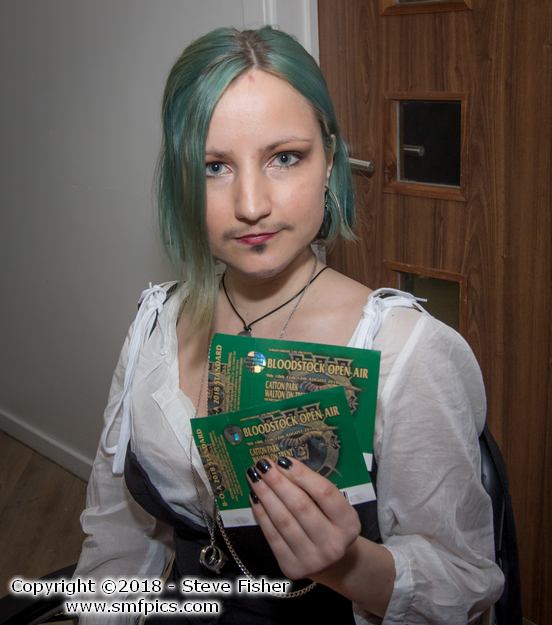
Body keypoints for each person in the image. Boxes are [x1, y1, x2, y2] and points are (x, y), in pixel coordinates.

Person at [75, 26, 504, 624]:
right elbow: (117, 533)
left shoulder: (407, 353)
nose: (251, 204)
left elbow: (465, 585)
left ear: (329, 158)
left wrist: (346, 564)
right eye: (214, 166)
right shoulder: (155, 325)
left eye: (285, 157)